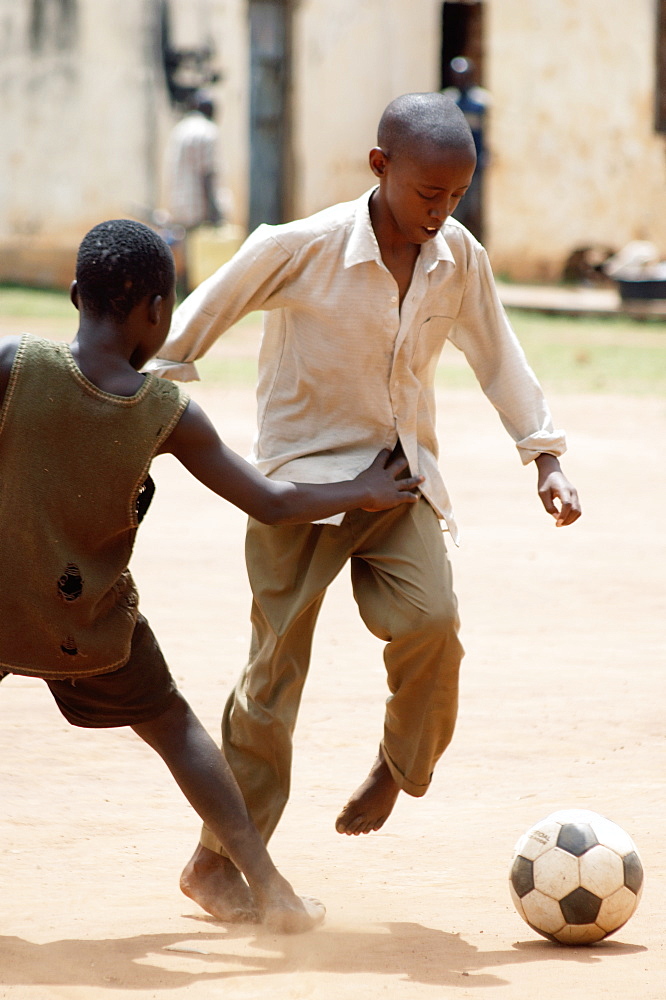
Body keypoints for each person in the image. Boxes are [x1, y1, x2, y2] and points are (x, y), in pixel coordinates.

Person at [146, 92, 582, 923]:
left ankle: (398, 762)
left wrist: (546, 456)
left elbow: (499, 355)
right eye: (428, 193)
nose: (442, 212)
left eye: (457, 196)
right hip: (301, 494)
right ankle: (218, 864)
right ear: (380, 168)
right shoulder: (298, 248)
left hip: (399, 482)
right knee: (269, 688)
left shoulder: (457, 257)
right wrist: (131, 417)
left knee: (433, 625)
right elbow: (187, 330)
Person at [0, 218, 424, 932]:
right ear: (160, 313)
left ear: (75, 295)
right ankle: (270, 888)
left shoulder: (14, 362)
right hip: (86, 626)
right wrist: (364, 490)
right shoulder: (166, 411)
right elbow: (273, 501)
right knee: (172, 723)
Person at [165, 89, 223, 297]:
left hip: (179, 200)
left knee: (185, 252)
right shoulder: (208, 131)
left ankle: (182, 292)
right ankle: (197, 294)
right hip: (198, 202)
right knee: (201, 252)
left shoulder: (181, 129)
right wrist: (215, 209)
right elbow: (207, 173)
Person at [441, 57, 490, 241]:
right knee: (455, 209)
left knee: (475, 207)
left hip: (477, 165)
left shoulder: (481, 101)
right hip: (454, 165)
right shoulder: (448, 99)